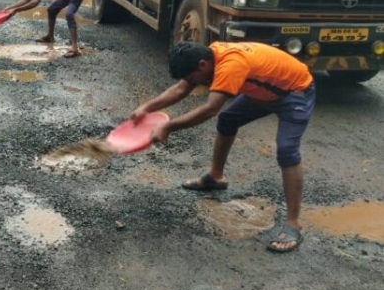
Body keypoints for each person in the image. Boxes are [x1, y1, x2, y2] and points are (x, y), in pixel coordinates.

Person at [130, 41, 316, 253]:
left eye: (193, 78)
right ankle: (215, 176)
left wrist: (168, 127)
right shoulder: (211, 56)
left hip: (295, 92)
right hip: (265, 91)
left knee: (286, 150)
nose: (193, 84)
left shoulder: (231, 65)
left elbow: (210, 109)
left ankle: (293, 223)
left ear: (202, 65)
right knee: (228, 120)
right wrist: (147, 107)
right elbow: (183, 87)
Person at [6, 0, 84, 58]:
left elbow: (34, 3)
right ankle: (50, 36)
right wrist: (10, 7)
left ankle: (74, 48)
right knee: (51, 10)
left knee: (69, 14)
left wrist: (16, 10)